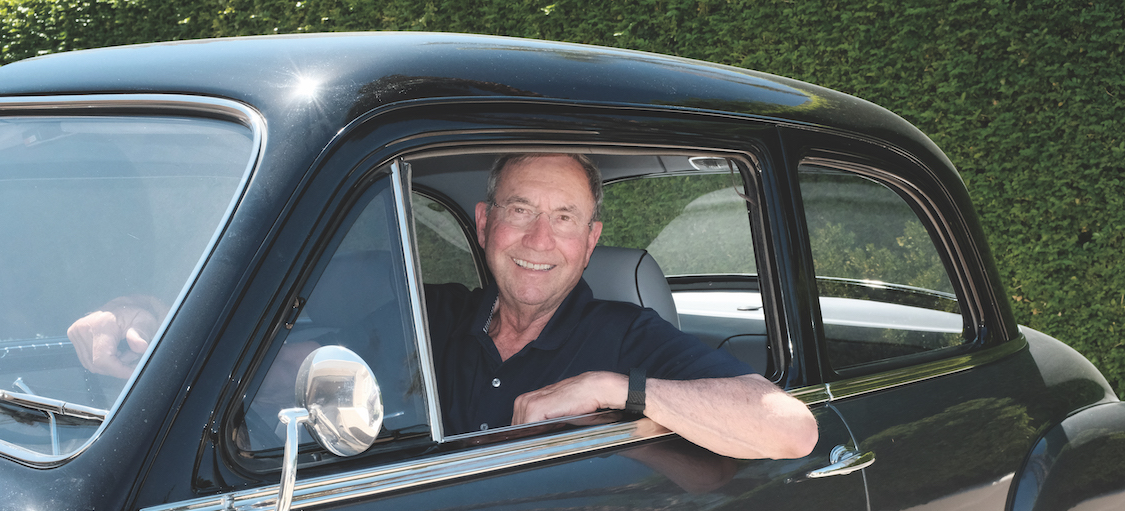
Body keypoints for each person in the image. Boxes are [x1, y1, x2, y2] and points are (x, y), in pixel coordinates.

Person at [68, 153, 817, 461]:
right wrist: (156, 335)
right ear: (486, 226)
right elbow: (298, 374)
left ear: (590, 244)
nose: (537, 240)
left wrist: (611, 390)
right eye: (519, 212)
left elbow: (791, 426)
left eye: (563, 220)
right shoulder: (436, 315)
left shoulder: (627, 336)